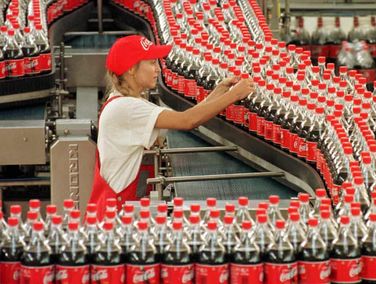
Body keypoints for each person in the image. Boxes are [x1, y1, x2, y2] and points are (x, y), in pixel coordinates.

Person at [88, 35, 254, 219]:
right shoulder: (126, 108)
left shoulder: (128, 101)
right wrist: (234, 96)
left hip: (121, 211)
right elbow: (187, 121)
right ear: (132, 69)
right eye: (152, 63)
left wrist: (219, 92)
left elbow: (186, 117)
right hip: (113, 220)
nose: (158, 69)